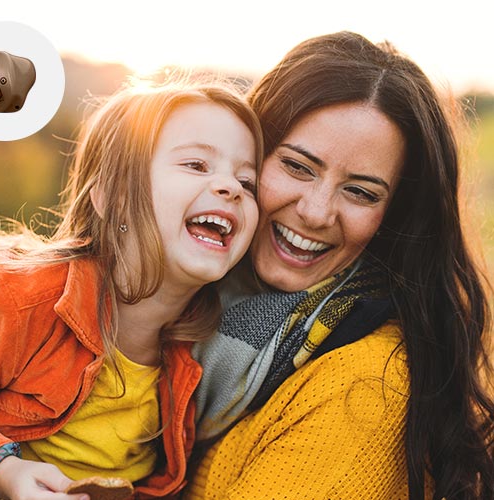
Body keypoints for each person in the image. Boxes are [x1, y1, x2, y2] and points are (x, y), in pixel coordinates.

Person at [185, 31, 494, 499]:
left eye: (361, 192)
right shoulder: (180, 303)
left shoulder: (364, 389)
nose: (315, 211)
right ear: (248, 155)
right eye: (297, 167)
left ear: (394, 215)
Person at [0, 80, 263, 500]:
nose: (231, 187)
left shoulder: (203, 353)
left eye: (248, 182)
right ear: (110, 197)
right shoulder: (14, 293)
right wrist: (2, 472)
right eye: (196, 165)